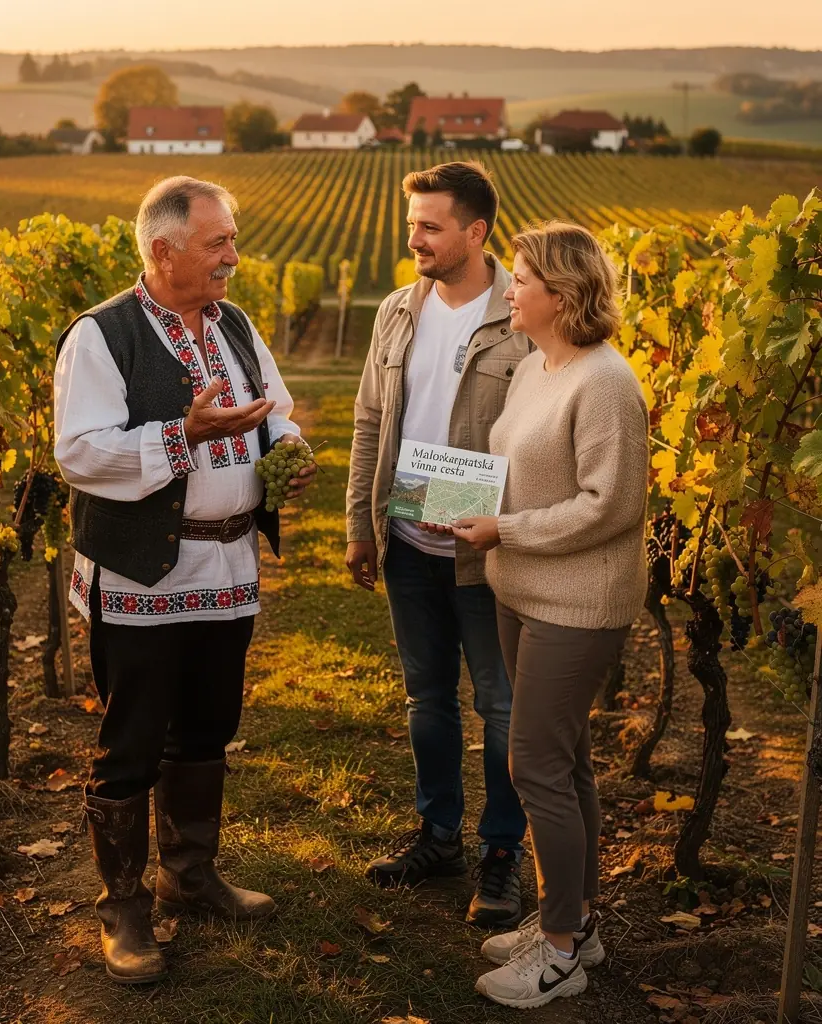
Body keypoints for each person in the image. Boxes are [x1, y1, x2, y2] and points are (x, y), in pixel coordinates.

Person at [53, 176, 316, 985]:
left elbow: (276, 407)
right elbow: (81, 450)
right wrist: (183, 433)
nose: (233, 257)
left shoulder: (233, 325)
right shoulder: (103, 335)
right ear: (163, 251)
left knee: (206, 727)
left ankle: (190, 876)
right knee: (131, 742)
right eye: (218, 243)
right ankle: (124, 908)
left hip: (227, 566)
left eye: (232, 239)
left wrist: (287, 448)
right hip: (141, 574)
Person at [450, 222, 649, 1010]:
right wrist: (464, 508)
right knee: (565, 765)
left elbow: (612, 505)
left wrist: (508, 529)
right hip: (523, 589)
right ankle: (577, 921)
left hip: (580, 602)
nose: (509, 289)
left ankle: (561, 951)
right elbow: (520, 472)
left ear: (561, 296)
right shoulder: (537, 367)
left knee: (533, 765)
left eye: (522, 279)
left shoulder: (605, 382)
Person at [345, 161, 532, 929]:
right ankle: (439, 834)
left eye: (430, 225)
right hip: (410, 538)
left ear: (476, 231)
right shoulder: (397, 310)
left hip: (486, 549)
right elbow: (366, 419)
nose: (413, 237)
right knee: (428, 698)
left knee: (500, 706)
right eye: (412, 222)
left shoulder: (520, 317)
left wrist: (510, 523)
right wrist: (362, 521)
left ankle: (500, 854)